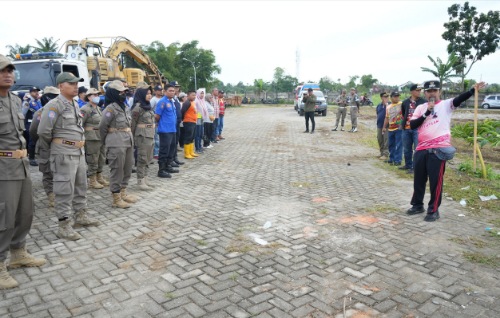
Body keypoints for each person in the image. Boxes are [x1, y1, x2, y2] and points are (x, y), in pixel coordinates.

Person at [407, 80, 486, 222]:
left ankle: (433, 210)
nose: (432, 93)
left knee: (436, 182)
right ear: (425, 93)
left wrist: (472, 91)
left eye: (434, 91)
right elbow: (412, 125)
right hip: (421, 148)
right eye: (429, 91)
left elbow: (459, 99)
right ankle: (417, 205)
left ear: (439, 92)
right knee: (418, 180)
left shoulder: (446, 105)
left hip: (438, 150)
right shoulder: (420, 108)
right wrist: (426, 113)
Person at [0, 54, 46, 289]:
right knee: (4, 217)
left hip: (21, 165)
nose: (8, 74)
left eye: (10, 70)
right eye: (2, 70)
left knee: (24, 212)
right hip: (2, 168)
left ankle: (18, 252)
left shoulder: (16, 101)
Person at [38, 72, 100, 241]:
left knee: (81, 185)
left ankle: (81, 216)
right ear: (61, 86)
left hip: (78, 151)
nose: (76, 86)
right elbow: (43, 131)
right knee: (64, 189)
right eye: (71, 83)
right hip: (64, 152)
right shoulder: (54, 105)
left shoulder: (73, 103)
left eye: (76, 83)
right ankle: (64, 225)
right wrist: (57, 146)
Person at [99, 80, 140, 208]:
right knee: (117, 170)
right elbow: (102, 127)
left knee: (127, 168)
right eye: (120, 92)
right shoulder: (110, 109)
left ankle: (123, 193)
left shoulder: (125, 107)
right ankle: (116, 198)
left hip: (127, 140)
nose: (123, 93)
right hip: (116, 142)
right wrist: (107, 141)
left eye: (124, 91)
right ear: (114, 93)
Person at [29, 86, 60, 208]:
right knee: (47, 172)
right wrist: (42, 141)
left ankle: (60, 194)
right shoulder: (40, 112)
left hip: (58, 146)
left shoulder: (59, 111)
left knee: (59, 171)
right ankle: (51, 196)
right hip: (45, 146)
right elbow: (33, 130)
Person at [80, 88, 109, 189]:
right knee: (93, 158)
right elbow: (80, 125)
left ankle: (99, 176)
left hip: (100, 136)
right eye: (94, 95)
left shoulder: (98, 108)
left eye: (97, 95)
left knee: (101, 158)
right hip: (91, 138)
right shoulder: (85, 109)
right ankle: (92, 179)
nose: (96, 97)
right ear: (88, 97)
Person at [131, 86, 156, 190]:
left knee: (148, 158)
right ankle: (140, 181)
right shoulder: (138, 107)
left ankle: (145, 179)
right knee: (142, 158)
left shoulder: (148, 106)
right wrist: (132, 138)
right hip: (142, 136)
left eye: (150, 93)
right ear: (141, 95)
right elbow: (132, 123)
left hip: (150, 134)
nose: (149, 95)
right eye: (147, 93)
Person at [400, 84, 426, 173]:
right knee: (407, 148)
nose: (419, 92)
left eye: (420, 90)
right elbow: (404, 114)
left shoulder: (423, 102)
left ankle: (415, 168)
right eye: (417, 90)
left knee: (417, 149)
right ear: (412, 91)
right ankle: (408, 165)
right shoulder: (405, 102)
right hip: (406, 128)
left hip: (418, 129)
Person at [155, 84, 179, 178]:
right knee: (164, 150)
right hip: (165, 130)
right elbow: (157, 116)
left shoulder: (171, 101)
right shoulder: (162, 102)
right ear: (165, 91)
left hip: (172, 129)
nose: (172, 92)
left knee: (171, 149)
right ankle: (161, 170)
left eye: (173, 91)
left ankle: (168, 166)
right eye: (170, 90)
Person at [22, 86, 42, 166]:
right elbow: (23, 113)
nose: (36, 93)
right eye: (34, 91)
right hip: (29, 123)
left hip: (38, 123)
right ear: (30, 93)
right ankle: (31, 158)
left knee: (35, 140)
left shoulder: (38, 101)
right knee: (31, 141)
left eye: (37, 91)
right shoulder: (27, 102)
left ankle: (33, 156)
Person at [382, 92, 403, 166]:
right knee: (391, 145)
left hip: (399, 128)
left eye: (398, 96)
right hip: (391, 128)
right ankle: (392, 158)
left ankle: (398, 160)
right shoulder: (388, 107)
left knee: (399, 144)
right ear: (391, 97)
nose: (397, 98)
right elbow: (387, 118)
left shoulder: (401, 104)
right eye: (395, 96)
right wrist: (384, 127)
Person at [181, 90, 198, 159]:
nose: (194, 96)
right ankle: (187, 153)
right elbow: (182, 112)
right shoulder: (187, 103)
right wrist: (183, 119)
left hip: (193, 122)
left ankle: (191, 152)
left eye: (195, 95)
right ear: (188, 95)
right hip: (188, 122)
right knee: (188, 137)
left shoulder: (193, 102)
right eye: (192, 95)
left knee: (192, 137)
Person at [171, 81, 184, 166]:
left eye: (177, 87)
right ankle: (171, 159)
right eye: (175, 87)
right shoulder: (170, 99)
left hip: (177, 123)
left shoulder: (176, 98)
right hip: (172, 124)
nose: (177, 89)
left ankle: (175, 158)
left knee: (175, 142)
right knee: (172, 143)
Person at [150, 85, 163, 159]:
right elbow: (150, 110)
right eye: (158, 90)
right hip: (155, 121)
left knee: (160, 138)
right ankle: (156, 153)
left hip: (162, 121)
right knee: (156, 138)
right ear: (155, 91)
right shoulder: (153, 100)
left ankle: (159, 151)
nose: (160, 91)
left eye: (161, 90)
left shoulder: (162, 99)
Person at [375, 92, 389, 160]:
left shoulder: (389, 106)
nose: (386, 98)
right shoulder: (379, 106)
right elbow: (378, 114)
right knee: (380, 139)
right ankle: (381, 152)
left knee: (386, 139)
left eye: (387, 97)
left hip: (387, 125)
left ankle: (386, 154)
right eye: (384, 97)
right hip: (379, 125)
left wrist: (387, 106)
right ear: (381, 97)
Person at [194, 89, 207, 153]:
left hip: (201, 118)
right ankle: (197, 147)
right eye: (201, 93)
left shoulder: (202, 100)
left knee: (201, 133)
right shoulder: (196, 100)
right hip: (197, 119)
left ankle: (200, 146)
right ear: (198, 93)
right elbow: (195, 110)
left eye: (203, 93)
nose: (202, 95)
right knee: (197, 133)